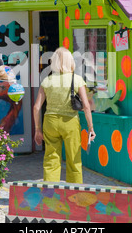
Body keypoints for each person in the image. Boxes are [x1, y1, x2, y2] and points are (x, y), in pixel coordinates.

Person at [33, 47, 95, 184]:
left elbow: (37, 107)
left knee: (51, 158)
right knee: (74, 159)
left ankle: (50, 194)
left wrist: (37, 129)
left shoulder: (47, 80)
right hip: (70, 122)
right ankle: (75, 194)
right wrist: (91, 127)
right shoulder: (77, 79)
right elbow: (86, 105)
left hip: (50, 122)